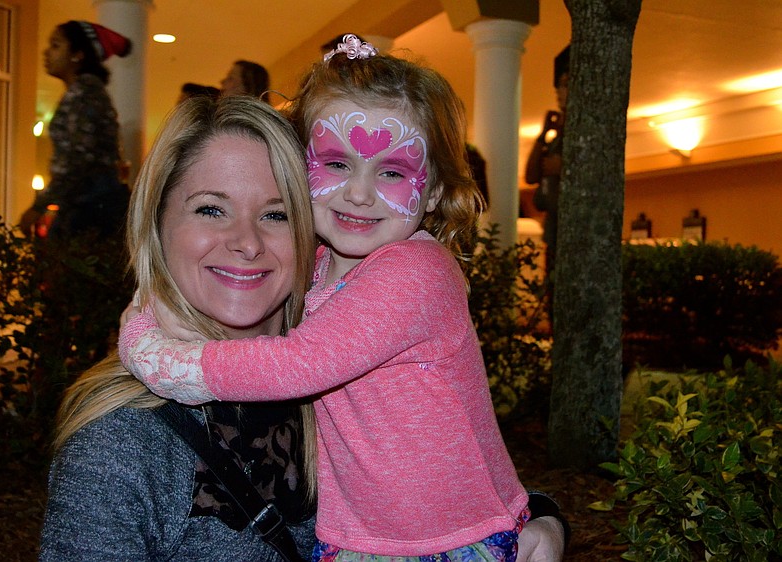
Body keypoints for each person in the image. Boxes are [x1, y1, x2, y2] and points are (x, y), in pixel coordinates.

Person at [119, 35, 566, 561]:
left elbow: (296, 363)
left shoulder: (414, 271)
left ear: (437, 191)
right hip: (364, 539)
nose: (359, 192)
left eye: (393, 172)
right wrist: (150, 309)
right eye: (335, 164)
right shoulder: (318, 267)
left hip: (444, 544)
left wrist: (153, 351)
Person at [39, 96, 319, 560]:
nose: (247, 243)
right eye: (211, 209)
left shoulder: (341, 401)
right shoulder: (121, 439)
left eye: (277, 214)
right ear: (157, 226)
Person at [19, 20, 132, 240]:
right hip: (89, 204)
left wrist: (39, 206)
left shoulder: (86, 94)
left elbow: (78, 160)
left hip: (91, 208)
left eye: (56, 45)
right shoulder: (83, 92)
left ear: (78, 55)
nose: (46, 53)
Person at [525, 45, 570, 322]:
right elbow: (532, 175)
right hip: (554, 227)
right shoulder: (558, 136)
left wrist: (563, 167)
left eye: (564, 85)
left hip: (571, 229)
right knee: (553, 294)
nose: (558, 92)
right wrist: (543, 136)